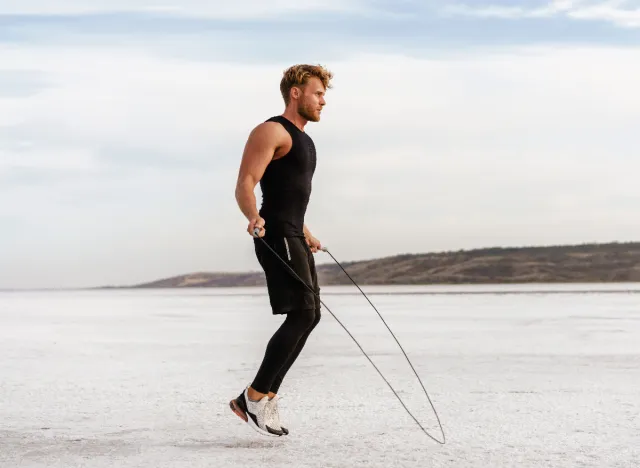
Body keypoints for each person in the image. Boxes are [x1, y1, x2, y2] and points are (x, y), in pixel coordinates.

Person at [229, 64, 333, 437]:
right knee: (303, 314)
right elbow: (246, 181)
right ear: (296, 92)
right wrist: (253, 216)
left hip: (293, 236)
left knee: (311, 316)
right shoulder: (272, 131)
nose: (323, 101)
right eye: (318, 93)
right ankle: (254, 397)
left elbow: (287, 195)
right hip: (275, 237)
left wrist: (306, 232)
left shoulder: (305, 140)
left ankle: (263, 394)